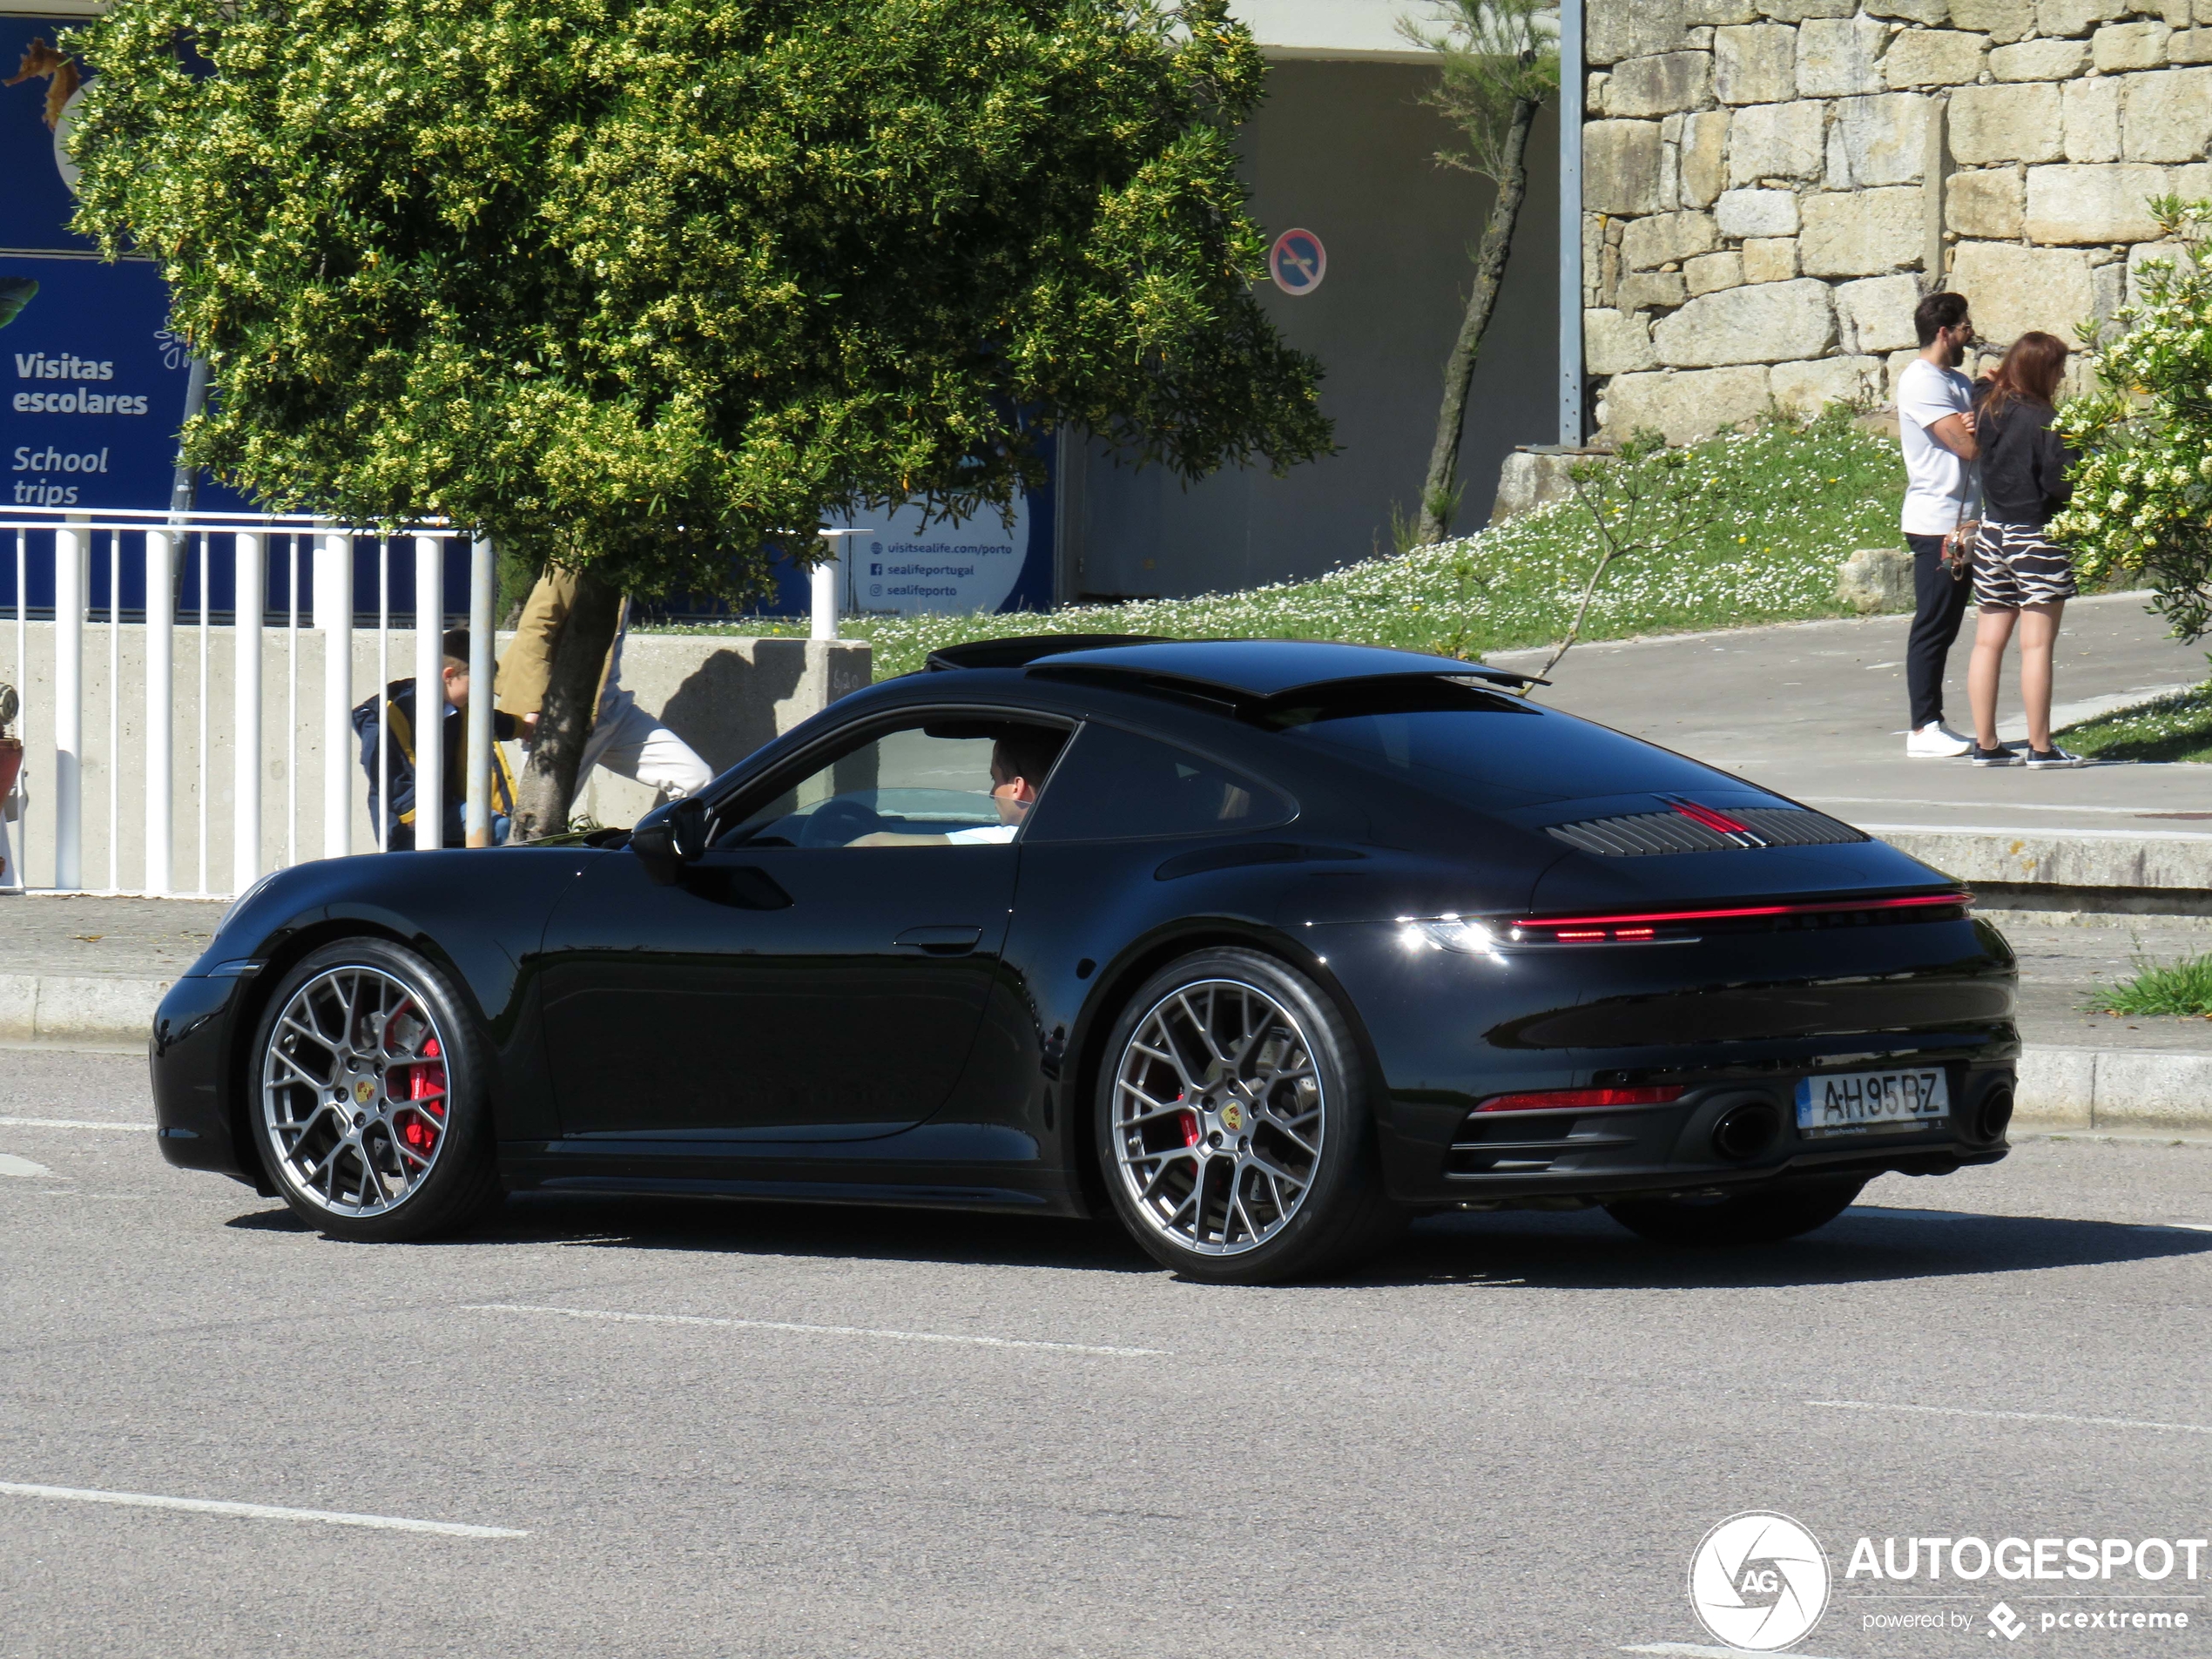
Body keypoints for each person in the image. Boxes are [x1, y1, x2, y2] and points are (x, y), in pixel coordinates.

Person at [1965, 332, 2083, 768]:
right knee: (2035, 647)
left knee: (1987, 642)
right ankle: (2040, 746)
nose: (2063, 375)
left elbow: (1982, 379)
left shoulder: (1987, 405)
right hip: (2034, 535)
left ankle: (1987, 744)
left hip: (1992, 533)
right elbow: (2060, 485)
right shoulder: (2048, 421)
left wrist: (1997, 374)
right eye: (2058, 367)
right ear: (2043, 372)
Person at [496, 569, 713, 804]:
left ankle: (669, 839)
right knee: (535, 818)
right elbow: (535, 629)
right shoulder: (575, 559)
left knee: (698, 782)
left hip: (611, 709)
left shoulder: (629, 563)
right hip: (561, 714)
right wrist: (534, 707)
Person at [1897, 291, 1982, 759]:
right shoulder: (1922, 382)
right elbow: (1967, 447)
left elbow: (1974, 428)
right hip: (1936, 522)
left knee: (1947, 623)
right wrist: (1975, 429)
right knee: (1933, 624)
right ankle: (1923, 727)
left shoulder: (1956, 379)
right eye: (1966, 326)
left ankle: (1932, 722)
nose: (1971, 333)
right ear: (1944, 332)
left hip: (1964, 518)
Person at [353, 630, 519, 848]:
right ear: (448, 676)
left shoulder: (460, 709)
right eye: (476, 684)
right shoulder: (392, 715)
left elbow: (489, 721)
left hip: (446, 803)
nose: (481, 694)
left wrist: (521, 727)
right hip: (409, 820)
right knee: (498, 827)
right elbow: (384, 768)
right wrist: (411, 810)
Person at [853, 731, 1063, 846]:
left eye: (996, 780)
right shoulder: (1076, 830)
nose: (992, 793)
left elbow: (872, 844)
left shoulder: (1008, 839)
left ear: (1017, 787)